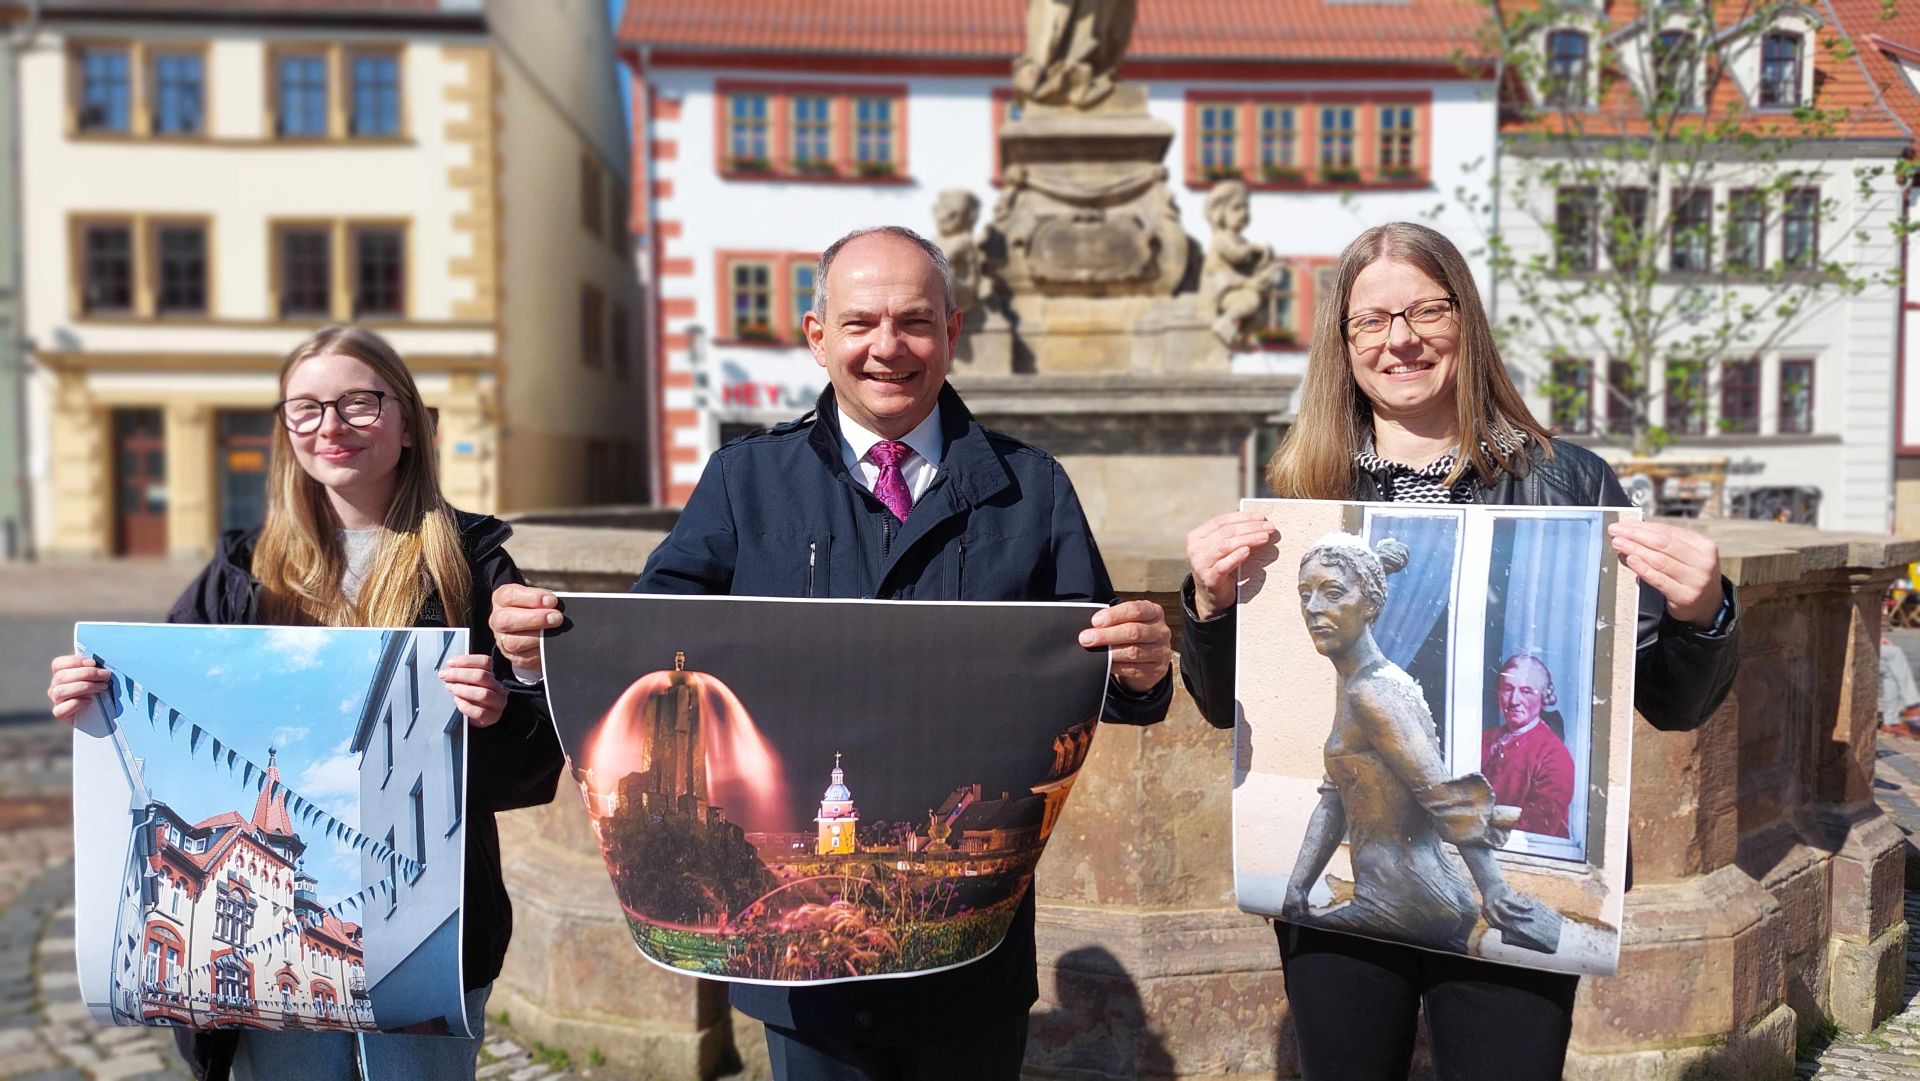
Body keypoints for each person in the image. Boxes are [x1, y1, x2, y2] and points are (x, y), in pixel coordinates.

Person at [490, 225, 1174, 1081]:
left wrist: (1141, 670)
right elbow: (643, 639)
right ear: (818, 337)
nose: (888, 346)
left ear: (951, 333)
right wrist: (536, 652)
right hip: (805, 986)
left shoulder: (1031, 488)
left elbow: (1097, 682)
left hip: (971, 963)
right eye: (860, 323)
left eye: (914, 322)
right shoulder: (746, 481)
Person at [1180, 221, 1739, 1080]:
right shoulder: (1299, 493)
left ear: (1465, 319)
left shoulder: (1569, 483)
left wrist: (1704, 613)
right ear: (1343, 343)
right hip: (1350, 901)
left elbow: (1672, 701)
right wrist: (1210, 607)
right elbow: (1231, 707)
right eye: (1370, 321)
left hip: (1493, 880)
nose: (1399, 339)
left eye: (1425, 311)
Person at [47, 326, 565, 1081]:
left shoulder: (469, 562)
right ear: (286, 431)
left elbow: (538, 755)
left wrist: (507, 697)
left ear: (409, 423)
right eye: (307, 408)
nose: (332, 425)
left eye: (360, 402)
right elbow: (160, 698)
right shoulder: (243, 570)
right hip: (266, 954)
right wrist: (93, 696)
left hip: (430, 926)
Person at [1286, 534, 1560, 956]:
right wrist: (1298, 885)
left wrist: (1495, 889)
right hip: (1415, 896)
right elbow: (1336, 795)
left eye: (1333, 593)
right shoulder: (1355, 683)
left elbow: (1442, 795)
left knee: (1309, 958)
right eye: (1305, 594)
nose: (1313, 608)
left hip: (1401, 901)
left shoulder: (1373, 692)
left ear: (1370, 604)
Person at [1482, 653, 1576, 839]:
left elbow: (1538, 827)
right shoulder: (1484, 739)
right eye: (1507, 689)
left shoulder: (1554, 756)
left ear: (1543, 698)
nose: (1514, 700)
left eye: (1526, 691)